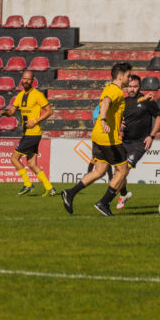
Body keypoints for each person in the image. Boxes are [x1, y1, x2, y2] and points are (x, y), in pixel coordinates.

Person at [61, 62, 132, 217]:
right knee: (123, 171)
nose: (130, 78)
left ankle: (70, 193)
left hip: (97, 136)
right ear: (120, 77)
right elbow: (106, 103)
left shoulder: (109, 88)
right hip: (109, 139)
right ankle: (104, 203)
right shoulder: (116, 91)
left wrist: (113, 122)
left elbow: (109, 105)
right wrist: (104, 120)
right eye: (128, 76)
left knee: (99, 171)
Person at [0, 70, 56, 196]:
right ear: (21, 79)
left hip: (33, 133)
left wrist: (35, 121)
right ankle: (50, 188)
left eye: (28, 79)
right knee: (31, 163)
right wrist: (5, 113)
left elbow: (49, 111)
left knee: (14, 158)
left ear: (32, 81)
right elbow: (12, 112)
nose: (26, 81)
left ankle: (28, 184)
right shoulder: (20, 95)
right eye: (24, 79)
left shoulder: (37, 95)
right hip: (28, 133)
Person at [116, 74, 160, 210]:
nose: (132, 89)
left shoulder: (147, 100)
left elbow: (159, 117)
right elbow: (117, 120)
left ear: (139, 87)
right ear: (126, 87)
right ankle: (124, 194)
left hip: (140, 143)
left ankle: (105, 201)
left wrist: (151, 136)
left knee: (124, 170)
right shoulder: (123, 102)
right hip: (125, 141)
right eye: (130, 86)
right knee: (118, 172)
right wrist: (118, 125)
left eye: (135, 86)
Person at [86, 102, 113, 182]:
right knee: (97, 159)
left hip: (104, 136)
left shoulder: (100, 108)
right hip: (100, 137)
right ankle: (88, 177)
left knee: (105, 159)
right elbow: (96, 123)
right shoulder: (98, 108)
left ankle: (110, 179)